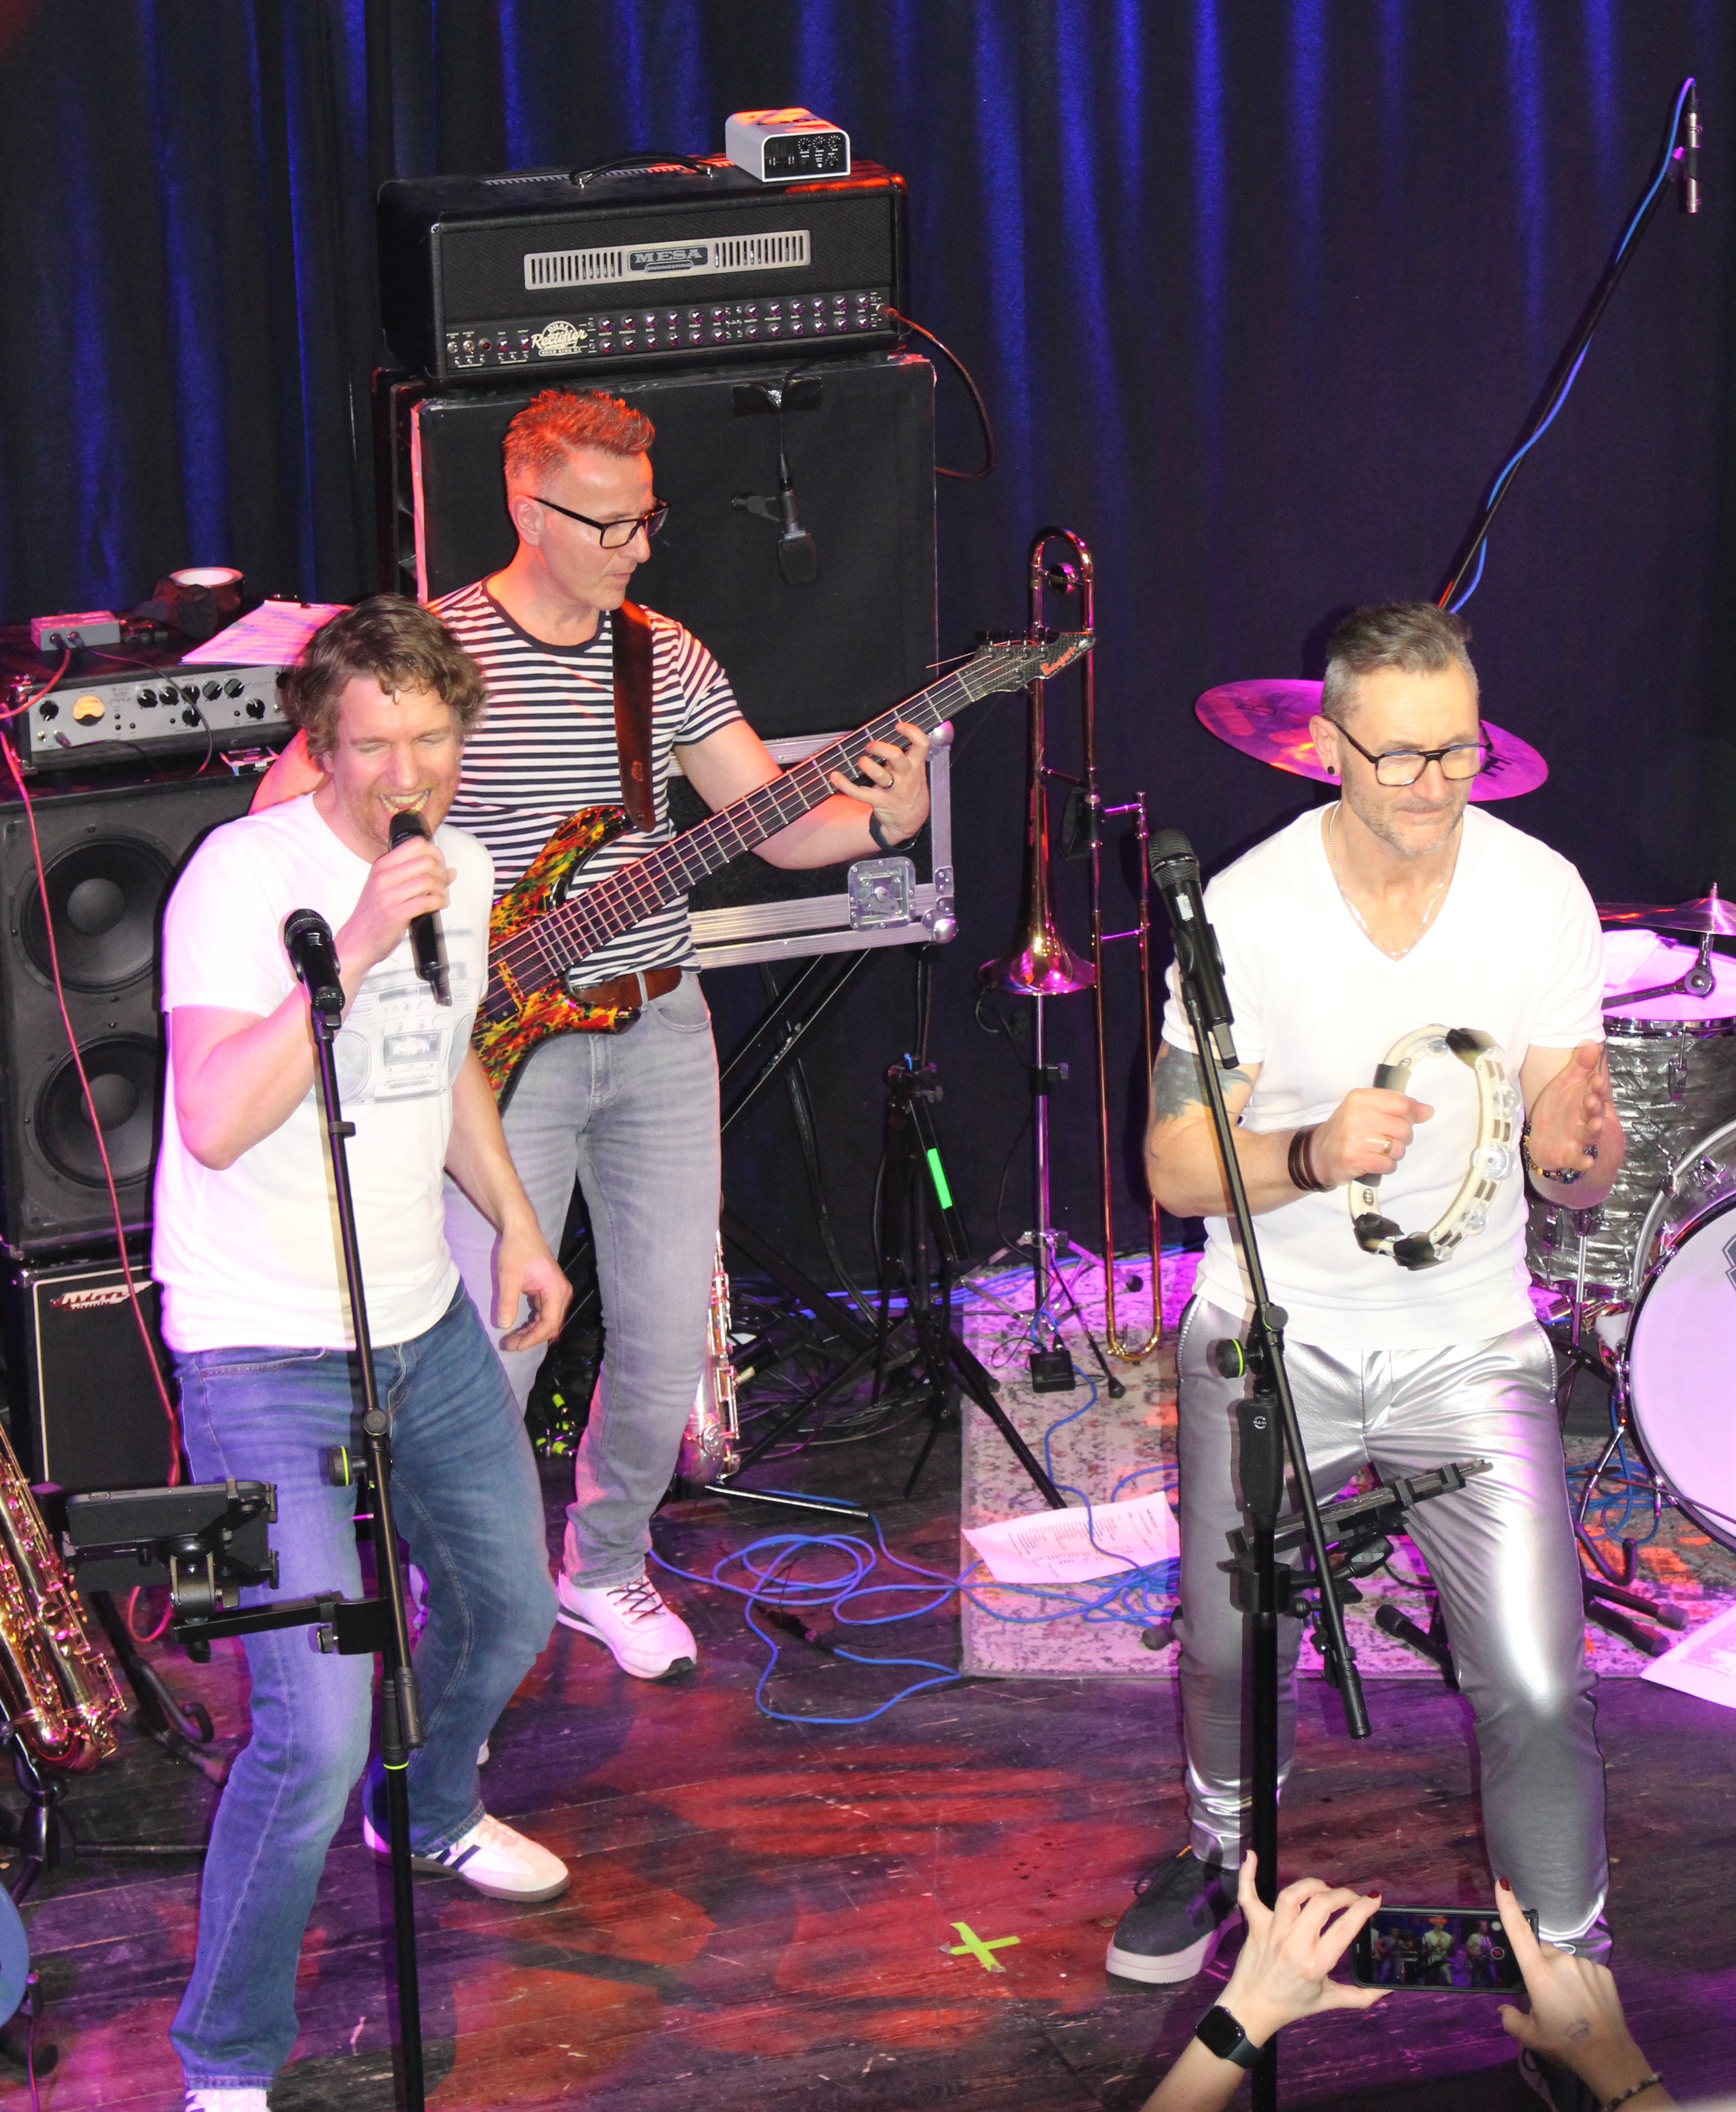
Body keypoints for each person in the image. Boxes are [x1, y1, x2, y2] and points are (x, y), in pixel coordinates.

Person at [254, 386, 930, 1683]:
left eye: (646, 519)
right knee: (494, 1348)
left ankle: (604, 1562)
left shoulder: (663, 656)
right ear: (528, 508)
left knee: (669, 1338)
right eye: (609, 524)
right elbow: (286, 814)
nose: (637, 547)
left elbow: (779, 823)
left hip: (658, 1021)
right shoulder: (439, 653)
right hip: (497, 1053)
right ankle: (459, 1592)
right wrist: (398, 934)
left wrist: (884, 820)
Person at [1115, 604, 1624, 2102]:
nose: (1434, 783)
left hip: (1469, 1346)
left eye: (1459, 751)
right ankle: (1219, 1850)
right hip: (1274, 1339)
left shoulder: (1540, 892)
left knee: (1536, 1677)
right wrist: (1312, 1149)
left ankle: (1571, 1981)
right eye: (1400, 755)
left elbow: (1575, 1161)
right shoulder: (1249, 907)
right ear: (1326, 745)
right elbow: (1173, 1168)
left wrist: (1575, 1152)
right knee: (1231, 1645)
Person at [156, 598, 573, 2111]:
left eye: (434, 738)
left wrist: (515, 1226)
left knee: (512, 1607)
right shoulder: (241, 877)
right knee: (316, 1729)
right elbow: (214, 1118)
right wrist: (357, 941)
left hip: (421, 1315)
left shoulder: (466, 867)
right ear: (320, 745)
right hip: (264, 1345)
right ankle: (224, 2060)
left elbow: (442, 1060)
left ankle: (436, 1805)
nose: (410, 772)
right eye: (376, 742)